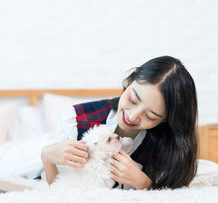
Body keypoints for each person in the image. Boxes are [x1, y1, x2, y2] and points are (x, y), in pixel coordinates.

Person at [41, 56, 198, 190]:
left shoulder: (166, 146)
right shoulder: (76, 119)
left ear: (165, 119)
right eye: (133, 99)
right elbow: (58, 186)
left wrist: (144, 183)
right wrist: (47, 157)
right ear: (130, 81)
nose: (133, 116)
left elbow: (174, 193)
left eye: (150, 116)